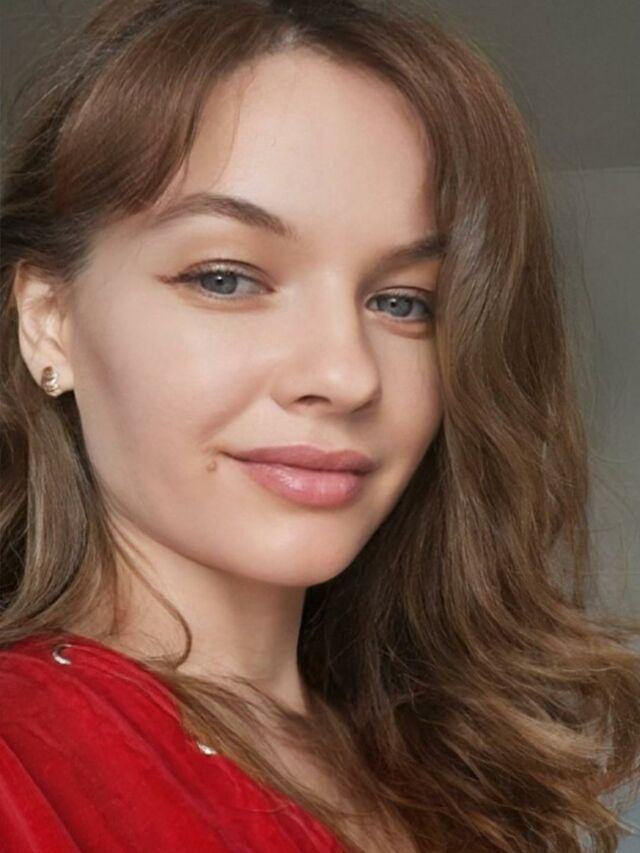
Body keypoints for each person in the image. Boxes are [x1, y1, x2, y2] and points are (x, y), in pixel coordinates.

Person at [1, 0, 639, 850]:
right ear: (49, 321)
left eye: (403, 302)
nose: (346, 375)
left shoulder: (459, 767)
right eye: (227, 278)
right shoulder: (21, 767)